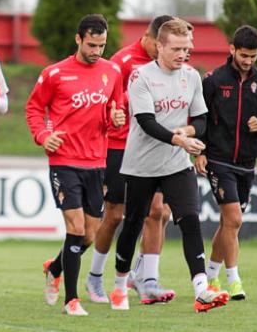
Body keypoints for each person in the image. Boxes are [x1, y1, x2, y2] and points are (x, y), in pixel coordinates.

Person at [109, 19, 229, 313]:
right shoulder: (140, 77)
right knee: (133, 224)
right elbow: (147, 122)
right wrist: (180, 140)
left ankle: (202, 289)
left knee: (190, 218)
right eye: (176, 48)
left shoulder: (191, 76)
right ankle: (119, 284)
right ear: (159, 46)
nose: (182, 54)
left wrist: (186, 134)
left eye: (187, 48)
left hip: (176, 163)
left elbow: (200, 121)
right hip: (141, 165)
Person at [26, 14, 125, 316]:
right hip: (64, 161)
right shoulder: (55, 74)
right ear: (78, 39)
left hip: (97, 161)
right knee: (76, 227)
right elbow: (33, 108)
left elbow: (115, 107)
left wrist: (116, 117)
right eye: (92, 45)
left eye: (102, 45)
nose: (97, 51)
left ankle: (54, 267)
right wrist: (43, 135)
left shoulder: (112, 71)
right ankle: (72, 300)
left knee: (90, 235)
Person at [86, 15, 176, 304]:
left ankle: (147, 280)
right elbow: (103, 99)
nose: (161, 50)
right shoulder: (123, 61)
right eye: (158, 44)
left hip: (154, 146)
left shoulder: (169, 64)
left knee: (159, 212)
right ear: (148, 37)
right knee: (113, 215)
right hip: (120, 145)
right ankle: (95, 278)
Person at [195, 25, 257, 300]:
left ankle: (211, 276)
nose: (248, 61)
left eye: (253, 56)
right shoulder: (213, 80)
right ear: (232, 49)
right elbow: (200, 118)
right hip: (219, 161)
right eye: (244, 55)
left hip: (247, 162)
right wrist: (200, 152)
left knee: (229, 223)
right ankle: (234, 280)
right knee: (234, 218)